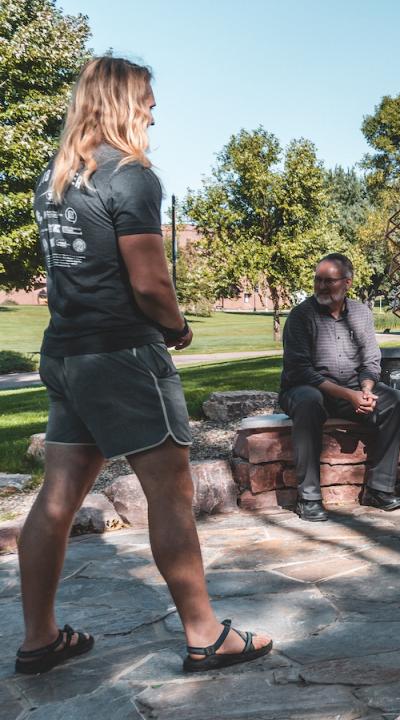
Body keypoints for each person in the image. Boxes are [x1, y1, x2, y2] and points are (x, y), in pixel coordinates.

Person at [18, 56, 271, 675]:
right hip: (123, 355)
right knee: (172, 493)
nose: (155, 110)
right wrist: (178, 328)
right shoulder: (130, 176)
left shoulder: (54, 180)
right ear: (122, 101)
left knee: (57, 497)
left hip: (68, 352)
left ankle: (39, 639)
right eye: (148, 99)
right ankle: (205, 634)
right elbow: (152, 282)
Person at [281, 253, 400, 522]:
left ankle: (379, 489)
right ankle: (308, 498)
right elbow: (300, 370)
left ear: (347, 283)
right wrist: (348, 395)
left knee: (398, 402)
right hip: (304, 388)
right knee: (308, 402)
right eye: (318, 280)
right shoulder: (301, 316)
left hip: (351, 388)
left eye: (329, 281)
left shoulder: (361, 314)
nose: (321, 286)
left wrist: (365, 389)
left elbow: (372, 360)